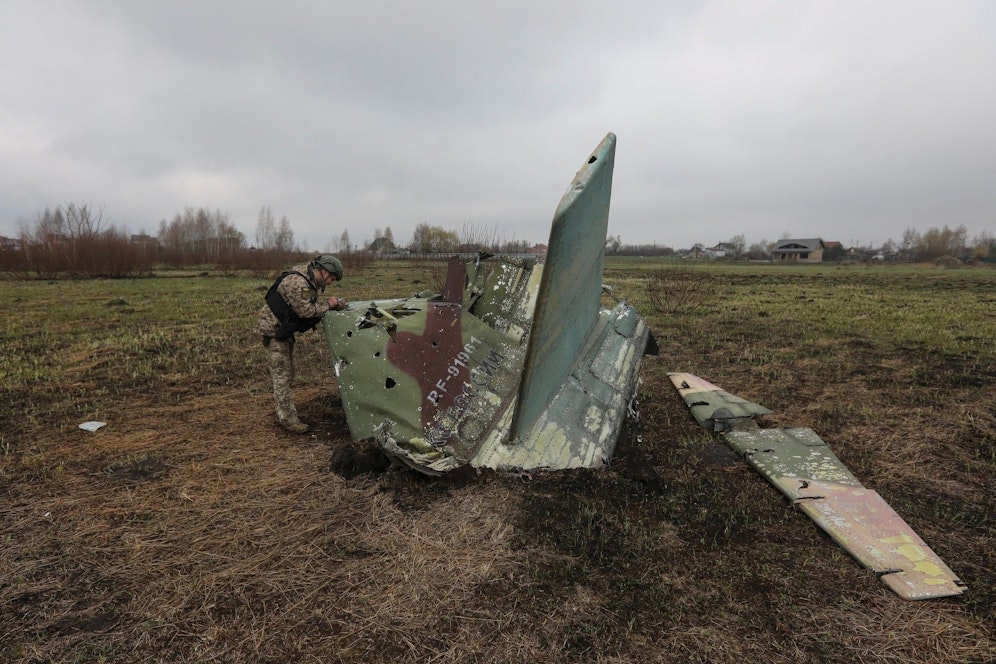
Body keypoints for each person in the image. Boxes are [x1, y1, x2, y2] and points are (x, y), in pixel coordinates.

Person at [256, 254, 348, 433]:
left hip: (281, 331)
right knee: (282, 376)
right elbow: (306, 311)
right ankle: (287, 419)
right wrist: (328, 305)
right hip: (274, 332)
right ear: (323, 271)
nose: (330, 283)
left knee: (287, 373)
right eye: (331, 278)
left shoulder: (306, 280)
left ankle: (283, 412)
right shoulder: (299, 283)